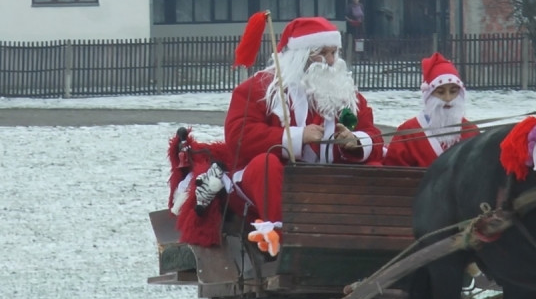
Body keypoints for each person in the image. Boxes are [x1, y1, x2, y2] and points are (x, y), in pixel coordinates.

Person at [193, 16, 383, 256]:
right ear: (300, 55)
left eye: (334, 52)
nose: (331, 61)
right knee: (266, 165)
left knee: (376, 166)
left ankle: (371, 238)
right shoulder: (260, 89)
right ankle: (281, 238)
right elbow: (239, 137)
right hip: (271, 181)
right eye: (322, 53)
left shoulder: (344, 95)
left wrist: (355, 142)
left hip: (328, 183)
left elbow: (374, 136)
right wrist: (297, 136)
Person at [383, 52, 477, 167]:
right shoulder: (408, 132)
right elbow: (393, 173)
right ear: (429, 96)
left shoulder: (470, 131)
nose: (448, 99)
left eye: (453, 91)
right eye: (440, 92)